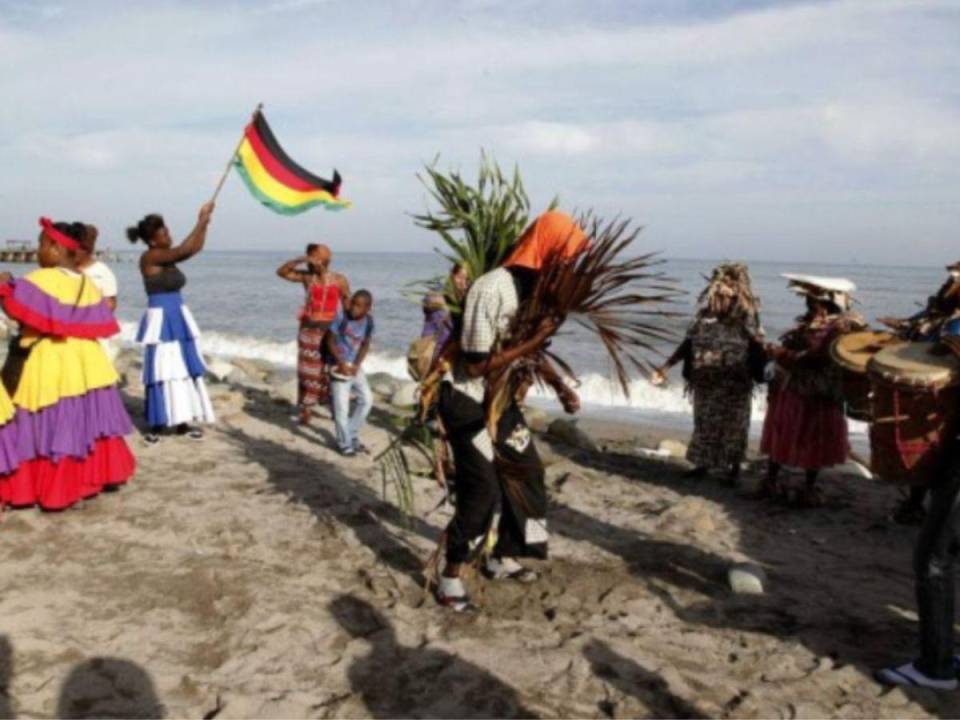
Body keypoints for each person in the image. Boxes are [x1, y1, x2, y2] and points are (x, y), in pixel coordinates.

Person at [436, 210, 586, 611]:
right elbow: (476, 362)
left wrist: (560, 387)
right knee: (482, 488)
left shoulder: (533, 295)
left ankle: (504, 554)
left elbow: (529, 351)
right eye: (565, 256)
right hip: (465, 398)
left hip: (499, 401)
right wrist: (536, 337)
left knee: (528, 473)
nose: (568, 266)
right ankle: (451, 576)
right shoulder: (491, 289)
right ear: (546, 251)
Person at [0, 218, 135, 510]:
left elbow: (17, 311)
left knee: (46, 423)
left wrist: (3, 286)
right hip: (87, 362)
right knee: (87, 423)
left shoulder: (41, 279)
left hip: (50, 359)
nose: (37, 251)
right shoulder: (85, 282)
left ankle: (50, 490)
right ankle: (96, 479)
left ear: (55, 247)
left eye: (40, 244)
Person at [758, 275, 863, 507]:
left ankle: (807, 487)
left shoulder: (841, 326)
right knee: (783, 429)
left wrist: (784, 355)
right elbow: (801, 346)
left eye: (812, 300)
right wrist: (780, 351)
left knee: (813, 437)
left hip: (818, 391)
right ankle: (771, 480)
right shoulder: (811, 321)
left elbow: (821, 357)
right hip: (793, 385)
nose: (808, 304)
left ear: (826, 302)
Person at [653, 263, 762, 485]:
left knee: (734, 426)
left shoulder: (744, 319)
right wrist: (666, 366)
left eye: (722, 297)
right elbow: (688, 344)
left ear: (733, 298)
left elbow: (758, 347)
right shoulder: (702, 318)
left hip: (735, 383)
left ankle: (733, 469)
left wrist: (768, 370)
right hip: (706, 382)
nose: (716, 302)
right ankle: (703, 465)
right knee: (704, 424)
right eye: (714, 297)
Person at [129, 203, 216, 443]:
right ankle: (157, 423)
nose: (169, 235)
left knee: (181, 369)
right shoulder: (151, 256)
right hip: (161, 319)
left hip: (177, 314)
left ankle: (181, 422)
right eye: (164, 233)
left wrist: (205, 222)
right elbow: (185, 249)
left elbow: (194, 248)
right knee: (163, 370)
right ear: (153, 241)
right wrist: (200, 220)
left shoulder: (166, 257)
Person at [277, 244, 350, 425]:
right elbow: (282, 272)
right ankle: (306, 409)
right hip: (308, 331)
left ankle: (333, 407)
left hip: (330, 331)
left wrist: (353, 327)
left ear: (326, 261)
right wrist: (301, 259)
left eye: (318, 258)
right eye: (312, 258)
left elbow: (348, 302)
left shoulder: (339, 280)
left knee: (329, 370)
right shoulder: (307, 278)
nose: (314, 262)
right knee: (307, 371)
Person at [326, 290, 374, 456]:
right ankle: (343, 443)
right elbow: (329, 341)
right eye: (353, 303)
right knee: (341, 409)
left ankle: (352, 434)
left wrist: (356, 365)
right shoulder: (341, 317)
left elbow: (365, 345)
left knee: (367, 400)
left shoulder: (369, 321)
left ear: (367, 308)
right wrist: (340, 362)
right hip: (338, 366)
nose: (354, 308)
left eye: (359, 306)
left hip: (354, 367)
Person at [76, 225, 118, 311]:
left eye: (82, 248)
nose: (76, 251)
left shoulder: (102, 271)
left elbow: (111, 304)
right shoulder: (65, 270)